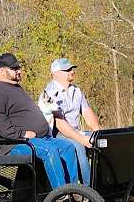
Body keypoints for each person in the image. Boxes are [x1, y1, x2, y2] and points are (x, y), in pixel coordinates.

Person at [0, 53, 79, 189]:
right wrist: (22, 134)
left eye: (18, 68)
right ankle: (60, 195)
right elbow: (0, 124)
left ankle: (74, 190)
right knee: (49, 150)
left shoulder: (16, 88)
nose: (19, 71)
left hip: (38, 139)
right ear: (2, 71)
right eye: (14, 68)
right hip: (12, 144)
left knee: (67, 147)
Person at [43, 58, 100, 186]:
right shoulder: (49, 93)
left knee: (105, 141)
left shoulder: (77, 90)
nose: (71, 71)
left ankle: (107, 183)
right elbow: (59, 123)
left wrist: (97, 132)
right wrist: (81, 139)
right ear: (55, 73)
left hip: (75, 131)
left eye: (71, 68)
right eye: (67, 70)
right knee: (78, 146)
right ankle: (90, 189)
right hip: (56, 133)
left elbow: (87, 112)